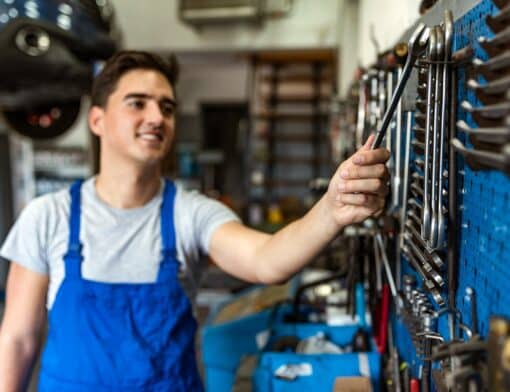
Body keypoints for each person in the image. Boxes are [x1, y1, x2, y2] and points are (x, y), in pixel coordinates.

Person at [0, 50, 390, 391]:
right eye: (137, 103)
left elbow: (266, 260)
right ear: (98, 120)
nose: (157, 117)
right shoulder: (49, 216)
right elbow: (18, 338)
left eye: (166, 107)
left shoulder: (190, 214)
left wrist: (330, 210)